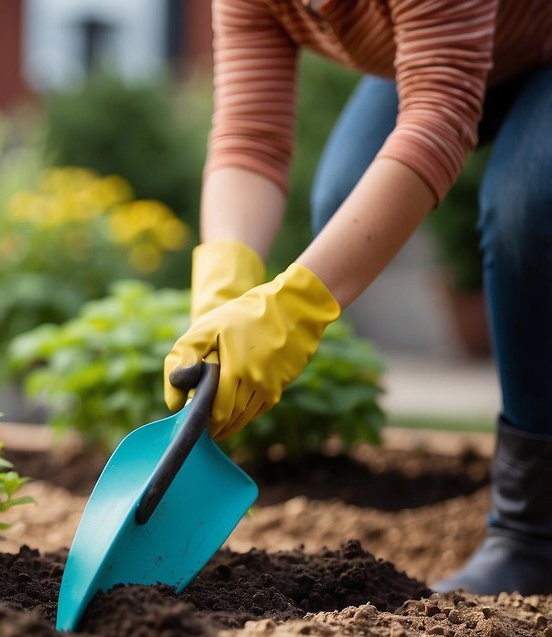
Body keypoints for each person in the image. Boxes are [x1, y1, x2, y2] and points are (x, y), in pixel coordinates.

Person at [165, 0, 552, 594]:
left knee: (527, 206)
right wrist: (224, 290)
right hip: (487, 39)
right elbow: (249, 138)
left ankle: (534, 532)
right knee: (344, 199)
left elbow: (439, 117)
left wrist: (293, 310)